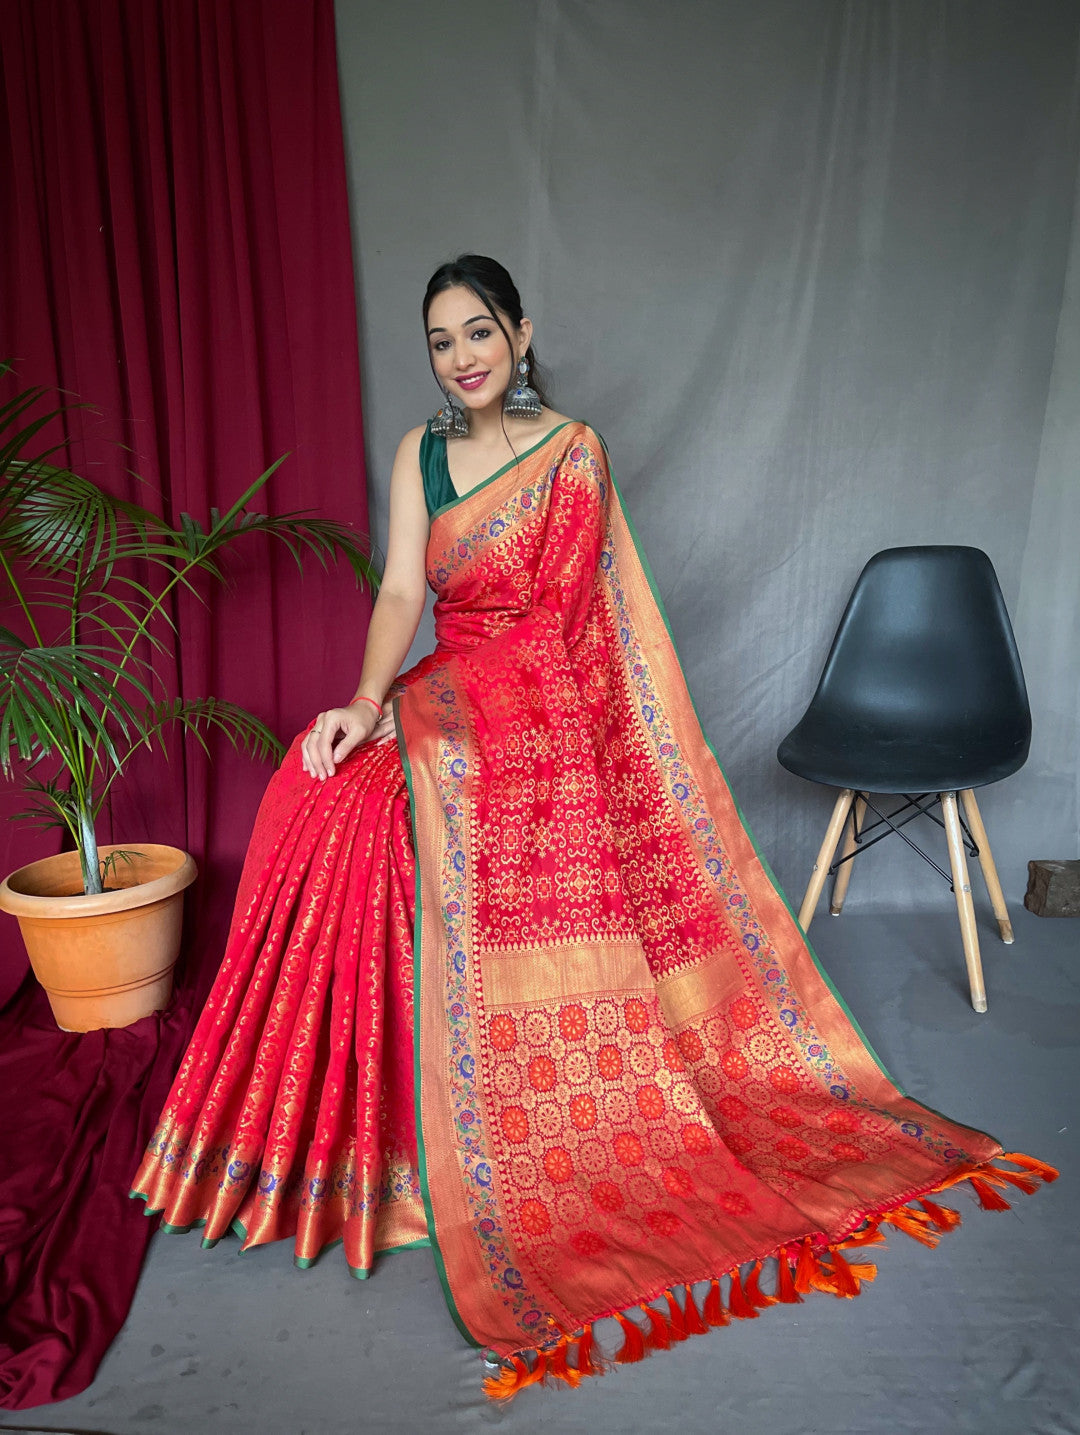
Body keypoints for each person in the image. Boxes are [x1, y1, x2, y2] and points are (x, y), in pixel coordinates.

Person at [132, 255, 1055, 1397]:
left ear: (521, 333)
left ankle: (464, 1149)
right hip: (444, 692)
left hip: (538, 709)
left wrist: (464, 714)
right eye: (440, 340)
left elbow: (576, 632)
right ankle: (344, 1148)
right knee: (321, 790)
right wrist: (365, 705)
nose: (462, 356)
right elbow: (400, 596)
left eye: (479, 331)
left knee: (407, 801)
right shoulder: (421, 454)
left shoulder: (573, 456)